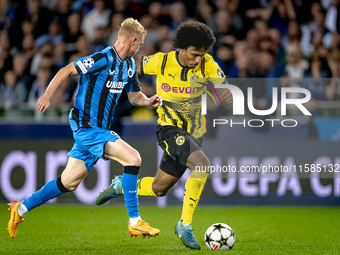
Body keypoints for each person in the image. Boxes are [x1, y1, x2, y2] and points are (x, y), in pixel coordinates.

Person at [7, 18, 162, 239]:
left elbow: (135, 96)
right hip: (87, 127)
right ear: (133, 41)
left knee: (68, 182)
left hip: (97, 131)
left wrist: (148, 101)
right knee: (133, 158)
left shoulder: (128, 66)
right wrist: (47, 95)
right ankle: (135, 221)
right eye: (138, 46)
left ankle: (20, 209)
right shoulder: (103, 58)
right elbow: (67, 69)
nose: (138, 50)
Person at [96, 21, 233, 250]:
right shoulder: (161, 61)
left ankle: (122, 185)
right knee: (202, 165)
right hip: (169, 129)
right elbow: (133, 67)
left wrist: (226, 91)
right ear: (182, 48)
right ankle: (185, 225)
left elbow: (223, 83)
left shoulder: (207, 63)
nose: (198, 59)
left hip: (194, 134)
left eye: (202, 55)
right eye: (194, 54)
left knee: (160, 189)